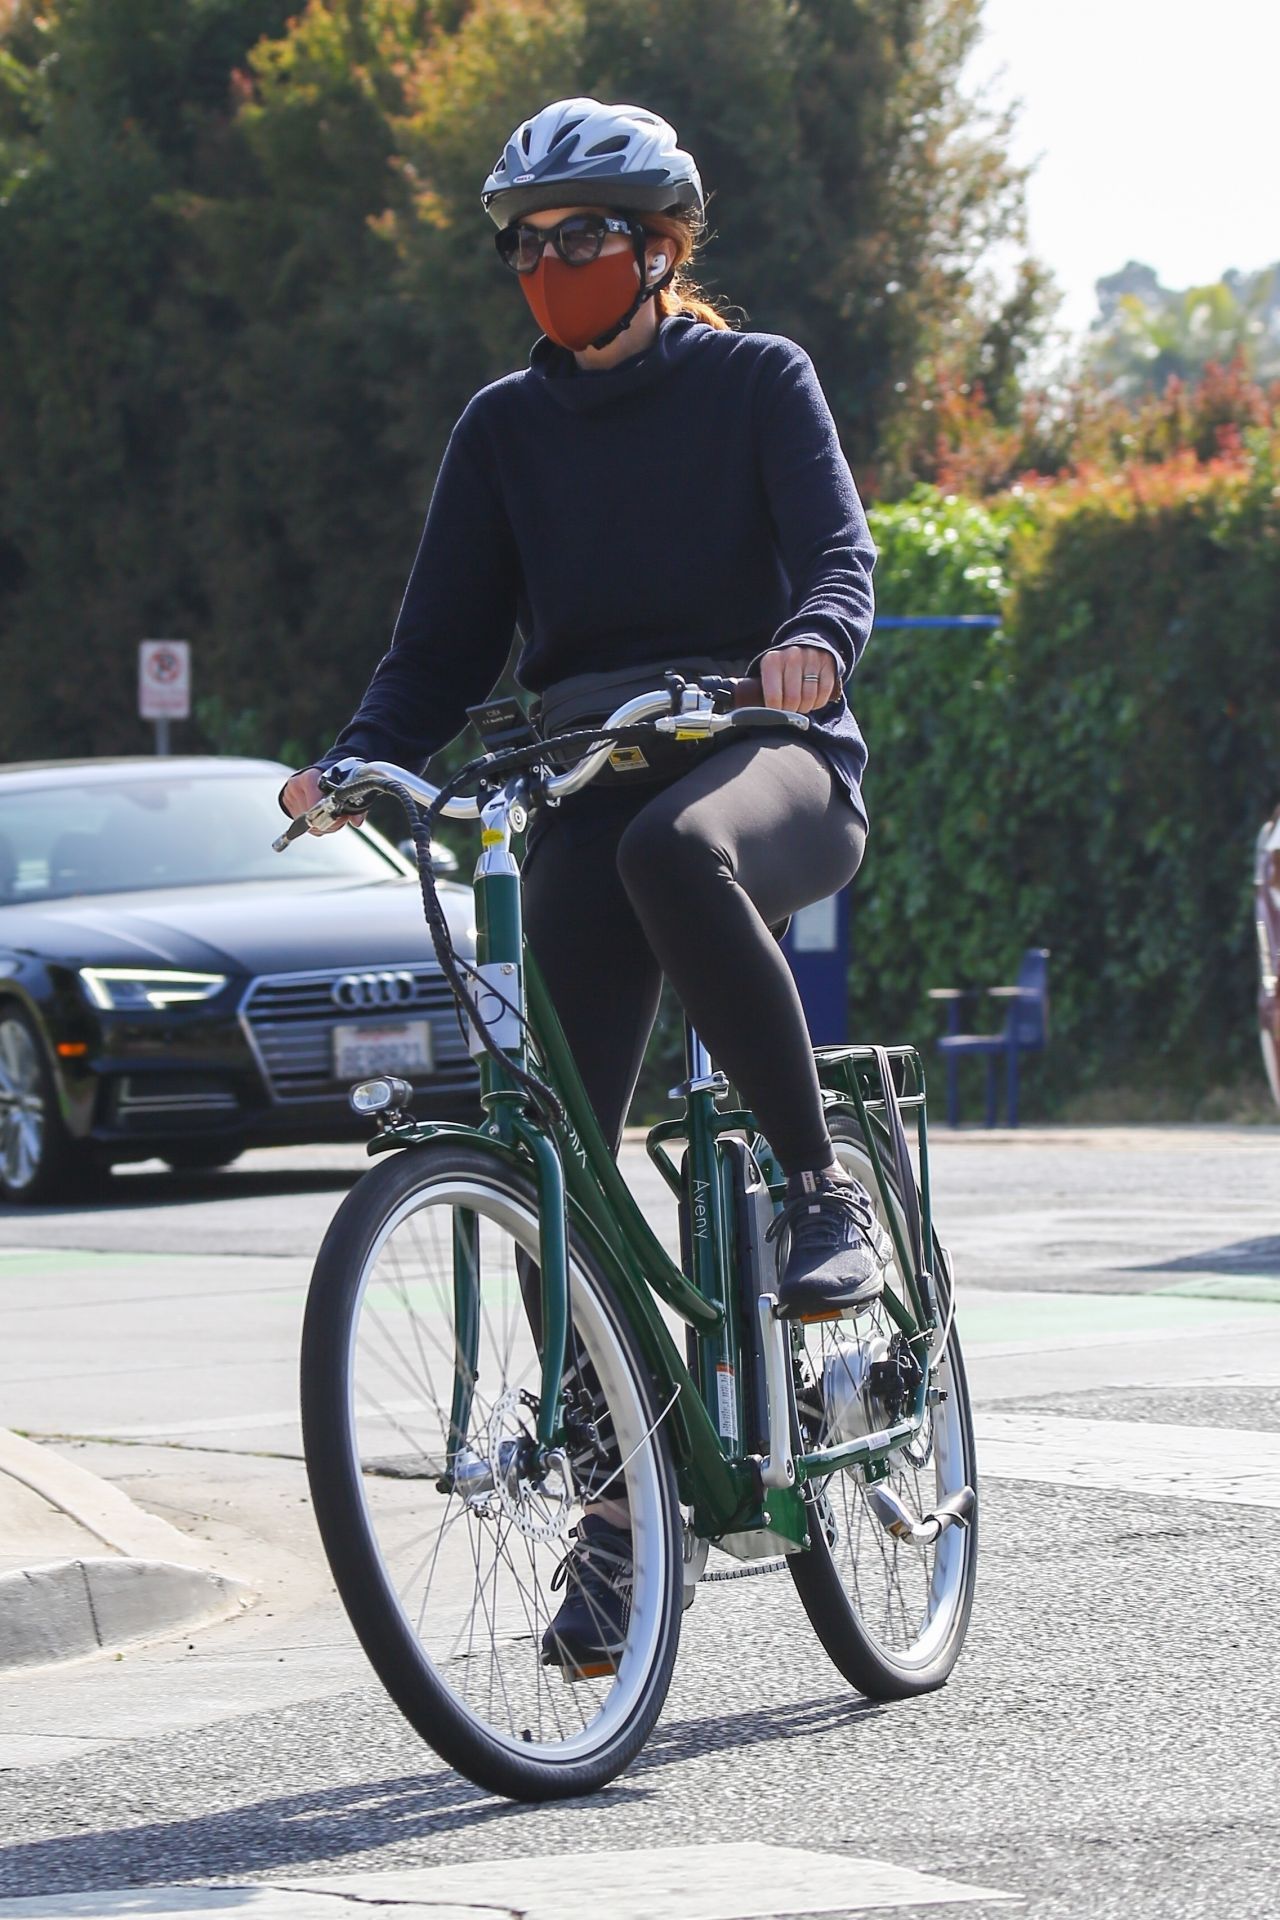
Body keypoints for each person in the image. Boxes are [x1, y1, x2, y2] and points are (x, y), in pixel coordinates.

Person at [282, 96, 893, 1670]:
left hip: (770, 767)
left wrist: (815, 645)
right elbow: (433, 655)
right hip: (579, 781)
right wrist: (355, 758)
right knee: (547, 1140)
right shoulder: (503, 431)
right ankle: (624, 1528)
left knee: (668, 852)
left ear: (664, 247)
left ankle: (821, 1191)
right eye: (531, 247)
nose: (554, 266)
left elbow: (839, 552)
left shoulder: (760, 381)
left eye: (587, 239)